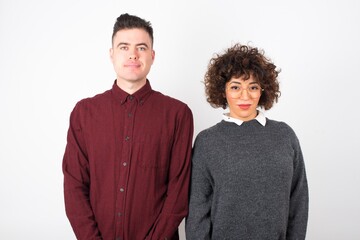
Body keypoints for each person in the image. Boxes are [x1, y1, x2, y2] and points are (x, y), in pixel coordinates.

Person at [62, 13, 194, 240]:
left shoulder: (178, 114)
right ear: (112, 54)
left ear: (152, 56)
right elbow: (74, 187)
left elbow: (178, 195)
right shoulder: (84, 113)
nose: (133, 54)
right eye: (124, 47)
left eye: (141, 48)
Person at [185, 44, 308, 239]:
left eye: (253, 87)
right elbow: (197, 211)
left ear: (263, 90)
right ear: (223, 90)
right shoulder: (207, 142)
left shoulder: (285, 135)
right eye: (235, 87)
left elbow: (298, 201)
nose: (245, 95)